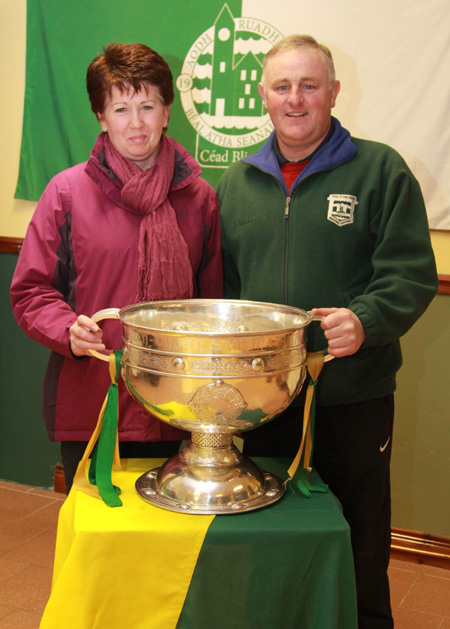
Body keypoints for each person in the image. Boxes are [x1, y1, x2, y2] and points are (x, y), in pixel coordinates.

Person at [217, 34, 438, 629]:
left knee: (360, 540)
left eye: (309, 86)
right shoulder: (235, 183)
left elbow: (412, 274)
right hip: (263, 402)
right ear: (263, 96)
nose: (295, 99)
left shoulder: (382, 169)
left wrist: (364, 321)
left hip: (353, 397)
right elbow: (227, 291)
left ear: (333, 93)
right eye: (282, 86)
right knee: (269, 536)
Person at [11, 43, 223, 493]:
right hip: (93, 401)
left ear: (167, 111)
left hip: (176, 409)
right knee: (98, 546)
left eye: (148, 105)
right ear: (102, 118)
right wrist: (66, 329)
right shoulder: (66, 192)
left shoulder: (200, 198)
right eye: (121, 108)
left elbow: (212, 305)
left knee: (168, 551)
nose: (136, 122)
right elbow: (31, 291)